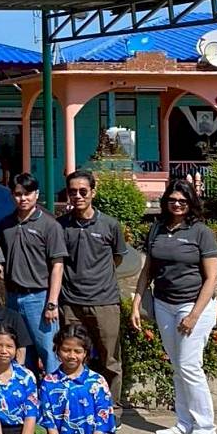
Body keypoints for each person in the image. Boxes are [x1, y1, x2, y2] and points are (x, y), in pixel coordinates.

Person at [131, 178, 217, 434]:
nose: (177, 204)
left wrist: (193, 315)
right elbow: (147, 270)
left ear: (191, 202)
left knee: (190, 366)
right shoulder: (157, 228)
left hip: (193, 305)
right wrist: (137, 302)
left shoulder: (201, 232)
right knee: (178, 365)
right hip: (164, 305)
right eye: (172, 200)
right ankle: (184, 424)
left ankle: (206, 428)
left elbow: (212, 278)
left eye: (182, 200)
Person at [59, 170, 129, 409]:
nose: (78, 196)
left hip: (104, 302)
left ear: (93, 192)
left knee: (110, 359)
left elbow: (118, 257)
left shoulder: (110, 224)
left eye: (83, 191)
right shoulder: (61, 226)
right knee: (73, 356)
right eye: (73, 192)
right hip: (71, 303)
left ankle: (111, 408)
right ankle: (78, 406)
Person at [0, 172, 66, 375]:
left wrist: (52, 303)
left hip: (39, 298)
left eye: (27, 194)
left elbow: (57, 265)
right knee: (20, 353)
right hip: (12, 298)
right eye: (18, 194)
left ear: (36, 194)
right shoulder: (5, 224)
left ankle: (54, 392)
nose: (23, 198)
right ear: (12, 195)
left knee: (49, 353)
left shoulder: (50, 225)